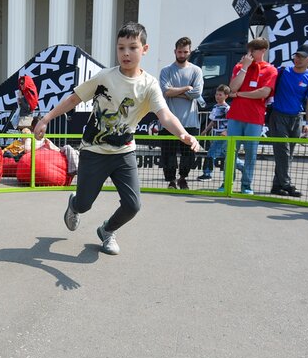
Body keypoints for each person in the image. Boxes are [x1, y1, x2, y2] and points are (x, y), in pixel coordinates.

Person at [33, 22, 201, 256]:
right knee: (84, 204)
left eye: (132, 47)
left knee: (133, 205)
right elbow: (73, 99)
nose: (126, 53)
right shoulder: (104, 77)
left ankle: (107, 230)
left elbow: (165, 115)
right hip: (93, 150)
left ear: (145, 49)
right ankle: (74, 204)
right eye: (121, 48)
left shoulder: (149, 84)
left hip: (123, 153)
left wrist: (183, 133)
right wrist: (46, 119)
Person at [224, 37, 278, 194]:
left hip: (255, 118)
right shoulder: (240, 66)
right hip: (235, 116)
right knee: (231, 151)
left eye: (254, 50)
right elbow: (231, 88)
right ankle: (226, 183)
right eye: (249, 50)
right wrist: (244, 67)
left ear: (263, 51)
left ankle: (246, 184)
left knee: (250, 153)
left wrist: (240, 94)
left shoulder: (270, 70)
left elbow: (263, 92)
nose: (250, 53)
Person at [268, 44, 308, 197]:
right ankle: (287, 184)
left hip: (296, 118)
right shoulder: (282, 71)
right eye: (296, 56)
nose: (297, 59)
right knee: (283, 151)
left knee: (288, 154)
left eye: (302, 57)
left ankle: (277, 186)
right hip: (278, 115)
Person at [159, 37, 204, 189]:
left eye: (185, 51)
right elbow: (165, 91)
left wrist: (175, 92)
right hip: (168, 122)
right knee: (168, 155)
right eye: (180, 51)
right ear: (175, 51)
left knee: (188, 155)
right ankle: (171, 181)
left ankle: (183, 178)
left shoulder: (196, 71)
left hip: (190, 122)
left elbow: (197, 92)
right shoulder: (166, 70)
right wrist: (186, 89)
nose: (182, 54)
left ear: (190, 51)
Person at [197, 84, 231, 180]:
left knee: (211, 153)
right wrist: (205, 131)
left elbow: (231, 122)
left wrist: (226, 131)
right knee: (227, 155)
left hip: (223, 135)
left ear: (226, 96)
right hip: (216, 134)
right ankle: (242, 166)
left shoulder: (227, 108)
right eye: (216, 94)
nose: (217, 97)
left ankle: (207, 174)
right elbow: (213, 121)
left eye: (220, 95)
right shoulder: (215, 107)